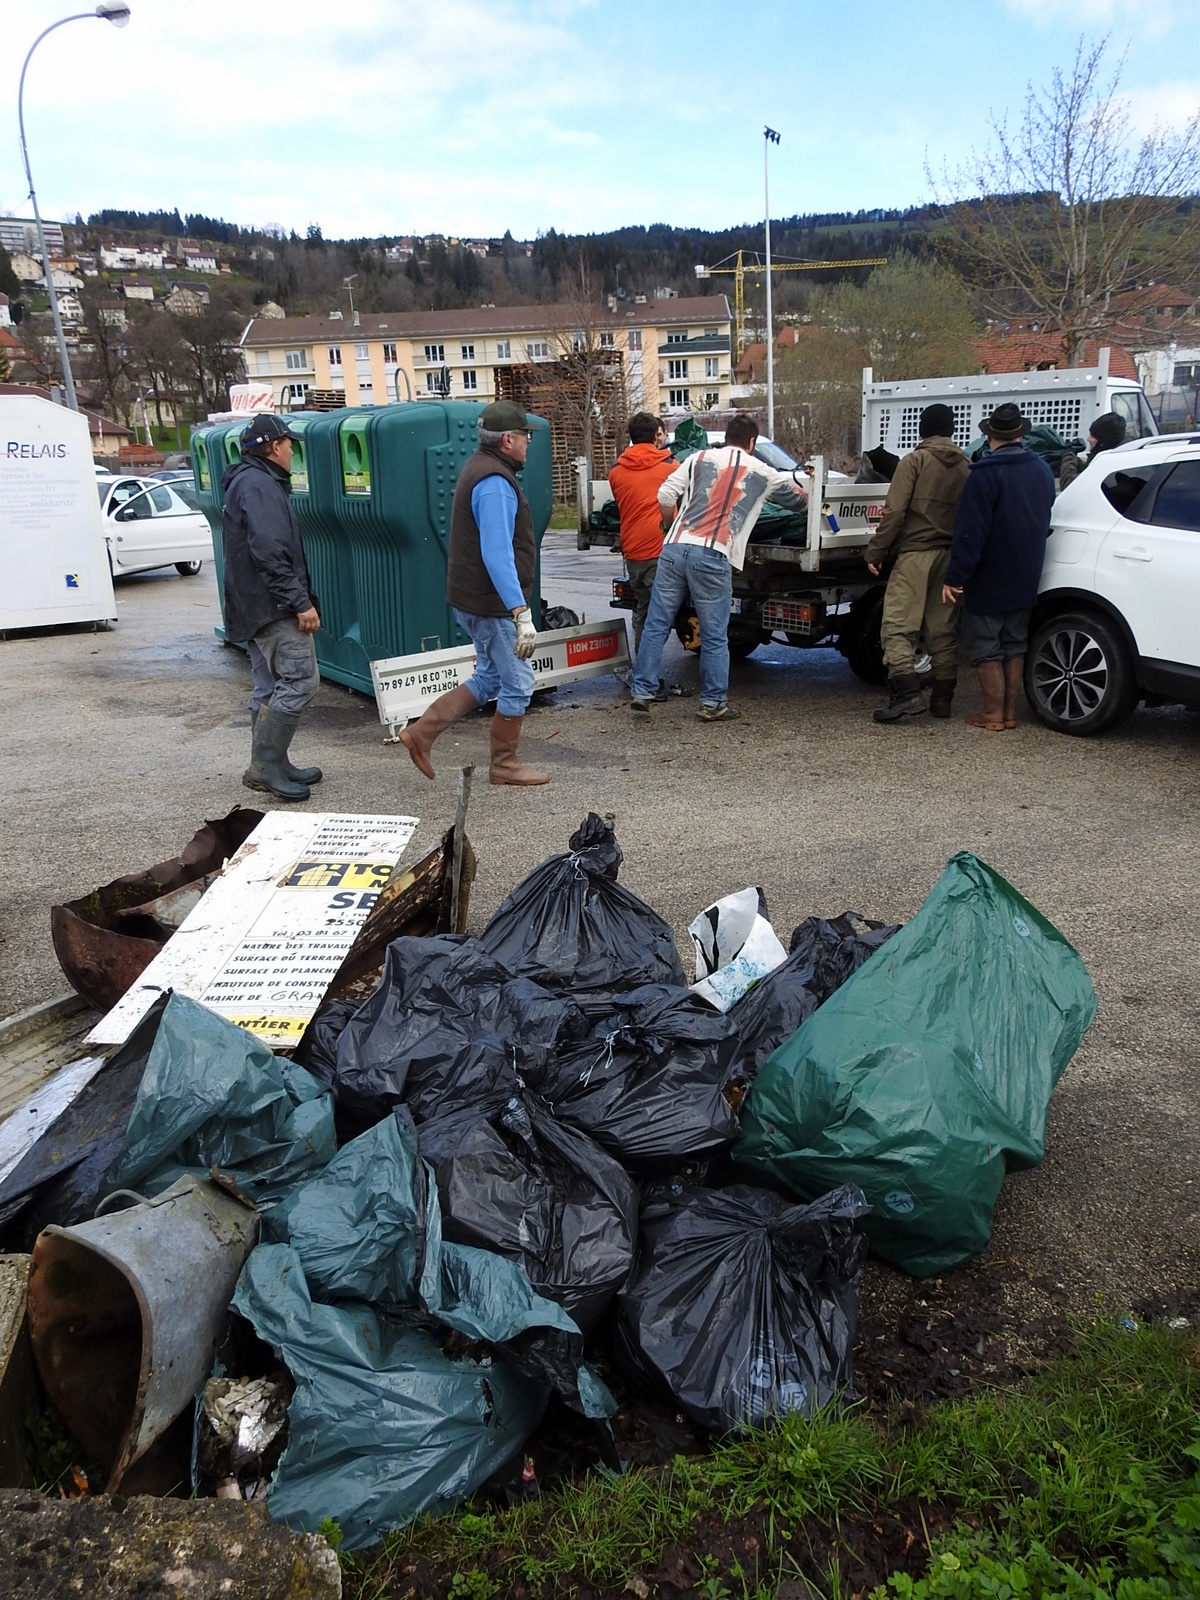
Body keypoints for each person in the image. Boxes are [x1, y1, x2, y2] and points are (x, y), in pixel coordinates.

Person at [399, 400, 548, 786]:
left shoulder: (480, 466)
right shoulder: (496, 483)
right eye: (525, 436)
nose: (528, 443)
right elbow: (497, 553)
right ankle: (504, 764)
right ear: (508, 440)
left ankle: (421, 733)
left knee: (490, 678)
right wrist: (520, 611)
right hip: (491, 604)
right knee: (518, 683)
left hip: (474, 599)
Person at [629, 414, 807, 721]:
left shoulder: (698, 458)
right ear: (751, 442)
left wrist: (670, 526)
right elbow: (799, 502)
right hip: (712, 553)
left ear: (726, 438)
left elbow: (665, 494)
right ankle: (712, 704)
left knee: (657, 624)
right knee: (713, 635)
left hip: (674, 548)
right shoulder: (764, 472)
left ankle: (642, 691)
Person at [222, 413, 322, 802]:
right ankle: (265, 766)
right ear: (275, 446)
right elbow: (270, 551)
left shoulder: (249, 481)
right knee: (300, 681)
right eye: (290, 445)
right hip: (273, 605)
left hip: (252, 604)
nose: (293, 452)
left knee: (269, 685)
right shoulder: (260, 486)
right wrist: (300, 602)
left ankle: (275, 762)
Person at [942, 401, 1056, 732]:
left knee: (986, 644)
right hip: (1028, 571)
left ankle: (992, 713)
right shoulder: (1042, 470)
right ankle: (1009, 713)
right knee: (1014, 643)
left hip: (989, 574)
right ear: (1020, 435)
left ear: (990, 437)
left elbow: (970, 532)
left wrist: (955, 576)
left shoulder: (984, 475)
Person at [865, 402, 970, 723]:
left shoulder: (914, 462)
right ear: (951, 430)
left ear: (922, 429)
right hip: (950, 557)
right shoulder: (967, 466)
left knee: (897, 627)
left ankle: (906, 695)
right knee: (943, 629)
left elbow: (894, 512)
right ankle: (942, 700)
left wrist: (876, 550)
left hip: (915, 554)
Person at [607, 412, 677, 666]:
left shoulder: (616, 472)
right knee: (658, 618)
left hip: (633, 552)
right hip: (660, 551)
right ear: (655, 436)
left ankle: (644, 672)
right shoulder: (671, 467)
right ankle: (647, 676)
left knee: (644, 613)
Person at [1058, 410, 1126, 490]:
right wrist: (1078, 462)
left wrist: (1068, 456)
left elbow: (1068, 485)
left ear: (1102, 442)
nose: (1088, 439)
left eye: (1093, 436)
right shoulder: (1117, 457)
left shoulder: (1103, 464)